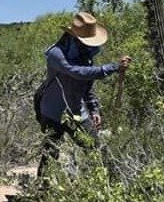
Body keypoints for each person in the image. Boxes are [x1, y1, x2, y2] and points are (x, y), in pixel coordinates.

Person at [37, 12, 131, 178]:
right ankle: (41, 193)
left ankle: (94, 184)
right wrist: (110, 68)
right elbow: (76, 72)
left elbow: (87, 85)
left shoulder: (85, 55)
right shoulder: (56, 54)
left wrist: (94, 109)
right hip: (53, 112)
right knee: (50, 153)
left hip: (77, 112)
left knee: (93, 146)